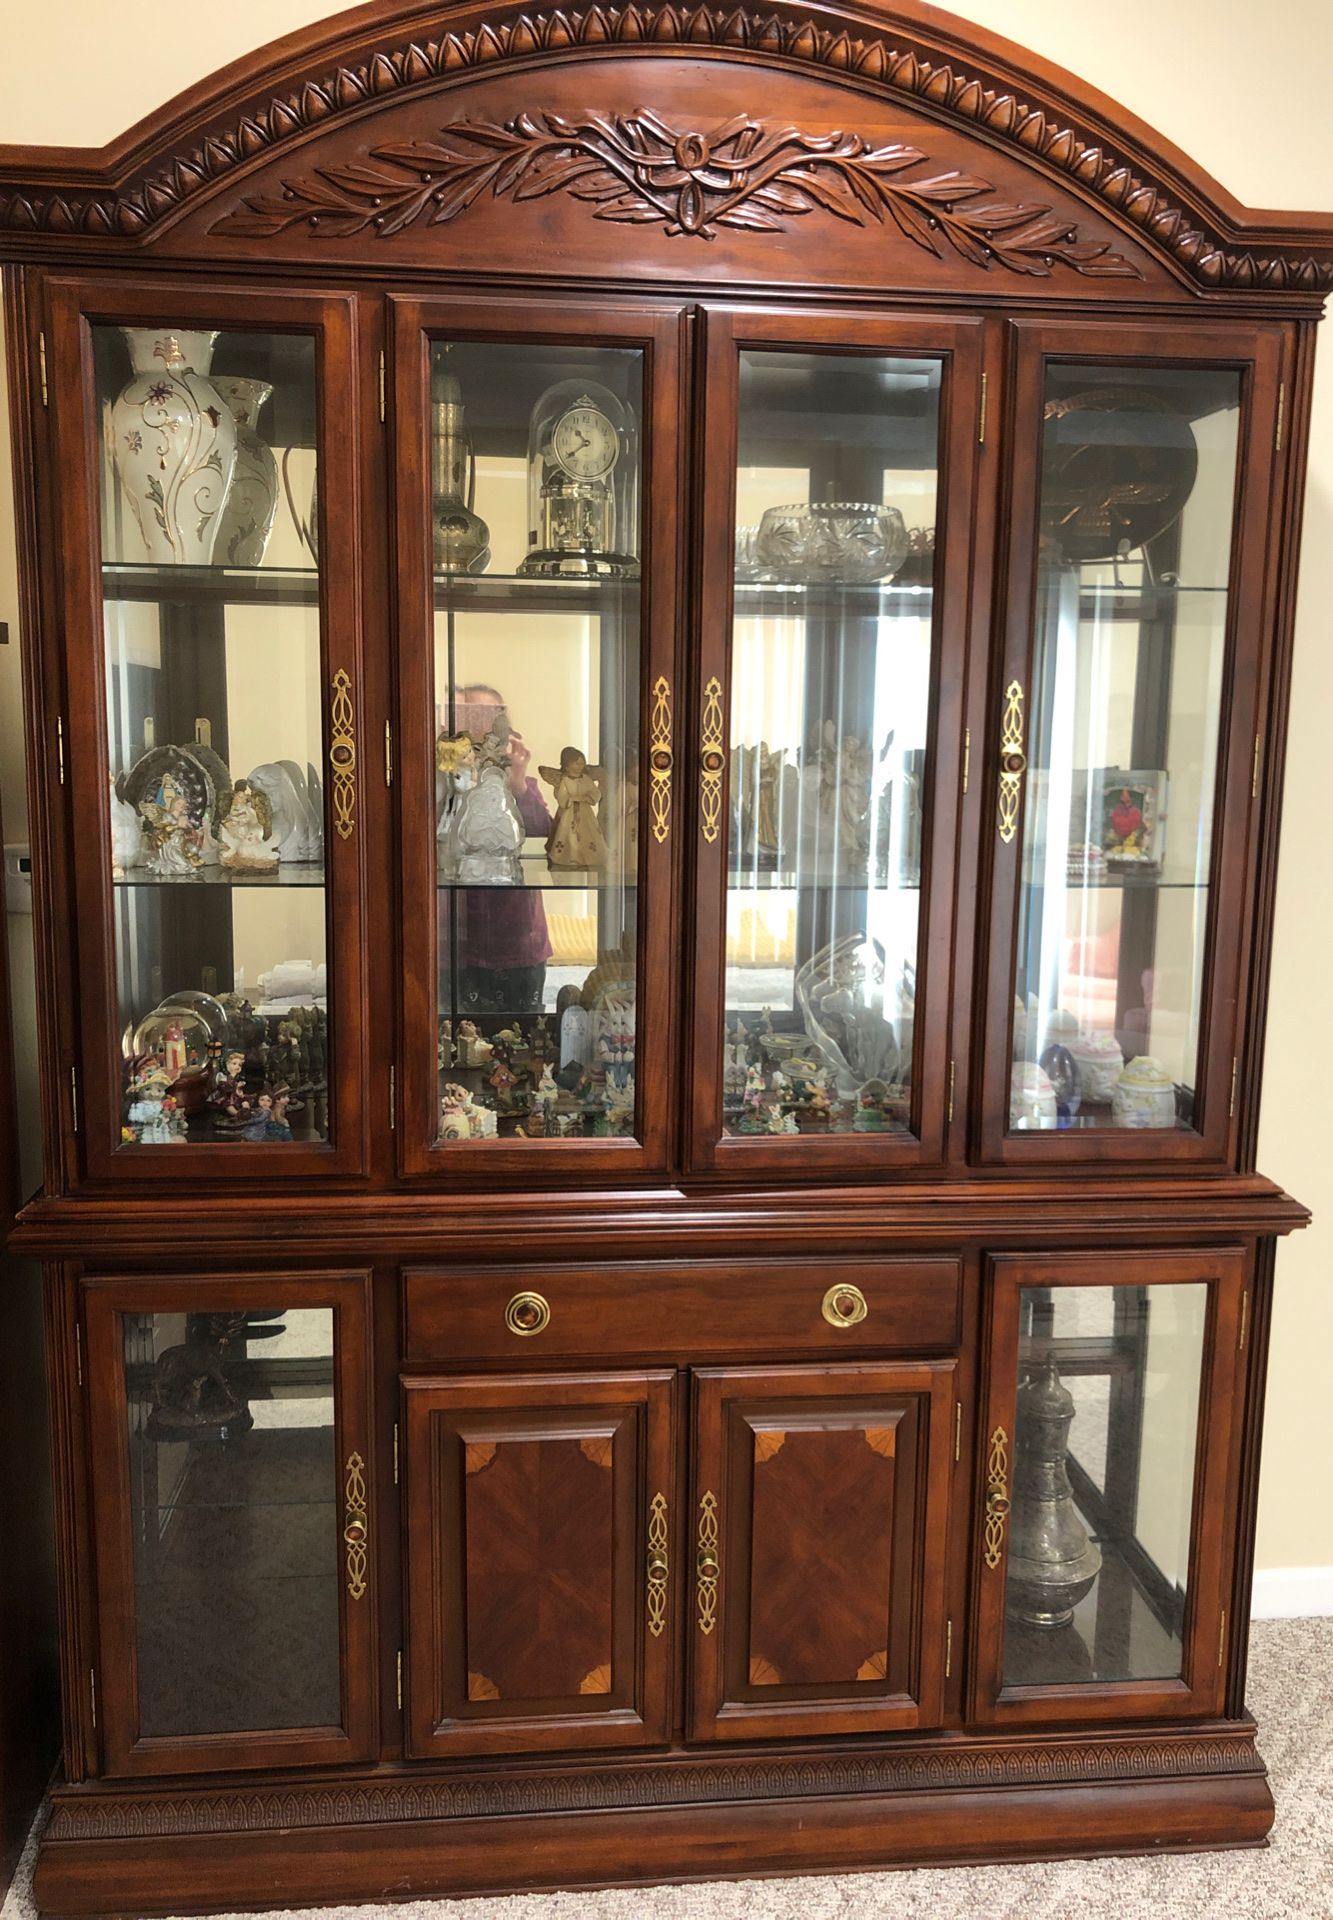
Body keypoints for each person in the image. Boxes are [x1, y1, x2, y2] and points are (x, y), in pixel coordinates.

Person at [446, 682, 552, 1014]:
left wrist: (518, 781)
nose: (481, 737)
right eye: (467, 723)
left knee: (524, 1042)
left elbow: (547, 843)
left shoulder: (523, 787)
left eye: (490, 722)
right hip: (457, 942)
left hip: (519, 941)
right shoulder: (444, 789)